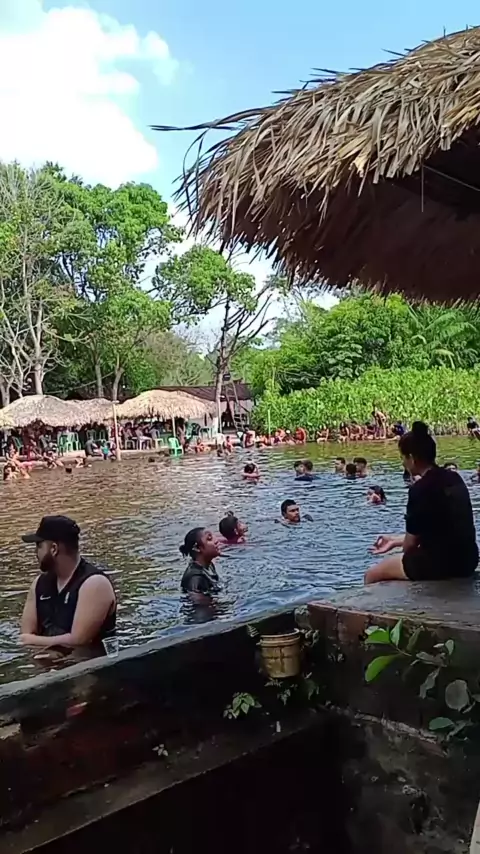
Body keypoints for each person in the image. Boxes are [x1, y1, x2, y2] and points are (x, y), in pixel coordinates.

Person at [365, 421, 479, 584]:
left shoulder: (419, 489)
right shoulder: (454, 478)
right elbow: (444, 531)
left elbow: (409, 547)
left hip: (440, 565)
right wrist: (394, 541)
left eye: (403, 458)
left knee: (372, 574)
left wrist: (402, 546)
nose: (403, 463)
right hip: (468, 560)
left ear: (411, 458)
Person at [20, 516, 116, 649]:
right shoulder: (39, 584)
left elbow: (79, 640)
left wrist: (33, 640)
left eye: (39, 545)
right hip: (46, 660)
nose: (35, 552)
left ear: (54, 549)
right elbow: (26, 635)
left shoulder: (94, 584)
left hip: (91, 661)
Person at [180, 528, 221, 601]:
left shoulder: (208, 565)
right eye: (209, 539)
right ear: (197, 548)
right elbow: (199, 604)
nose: (216, 540)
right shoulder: (196, 578)